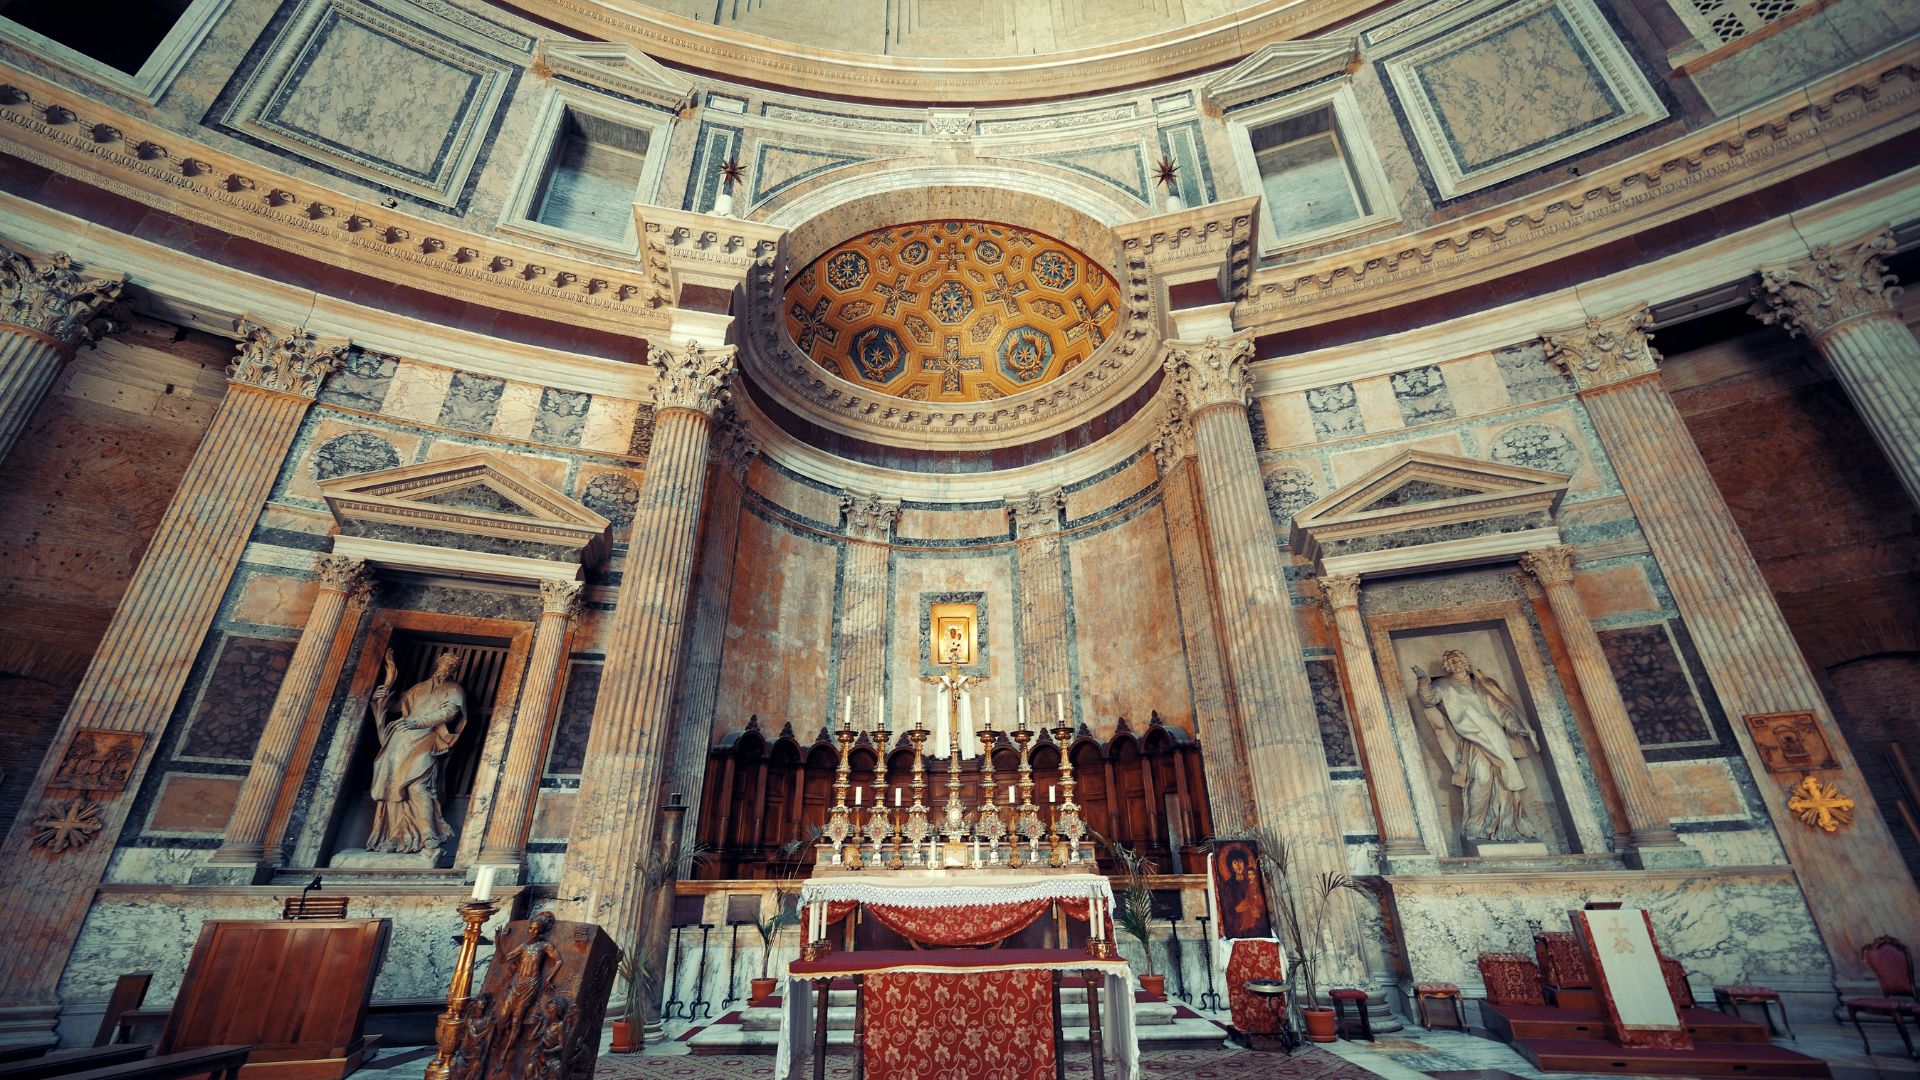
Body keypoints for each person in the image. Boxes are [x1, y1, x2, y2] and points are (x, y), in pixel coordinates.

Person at [1414, 649, 1540, 843]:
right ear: (1446, 666)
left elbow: (1502, 712)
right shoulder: (1443, 685)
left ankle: (1506, 823)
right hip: (1473, 740)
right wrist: (1423, 680)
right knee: (1481, 778)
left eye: (1459, 658)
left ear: (1466, 661)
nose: (1456, 662)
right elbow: (1429, 699)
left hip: (1496, 738)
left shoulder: (1482, 686)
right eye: (1451, 660)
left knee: (1505, 781)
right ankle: (1476, 823)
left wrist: (1518, 728)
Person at [365, 650, 467, 853]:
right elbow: (396, 705)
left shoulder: (454, 689)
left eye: (451, 666)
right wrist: (381, 695)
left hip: (427, 738)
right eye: (445, 663)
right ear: (438, 663)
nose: (446, 668)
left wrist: (418, 722)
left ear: (454, 670)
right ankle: (395, 835)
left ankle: (429, 834)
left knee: (418, 786)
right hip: (401, 741)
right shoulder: (419, 688)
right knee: (392, 785)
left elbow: (449, 712)